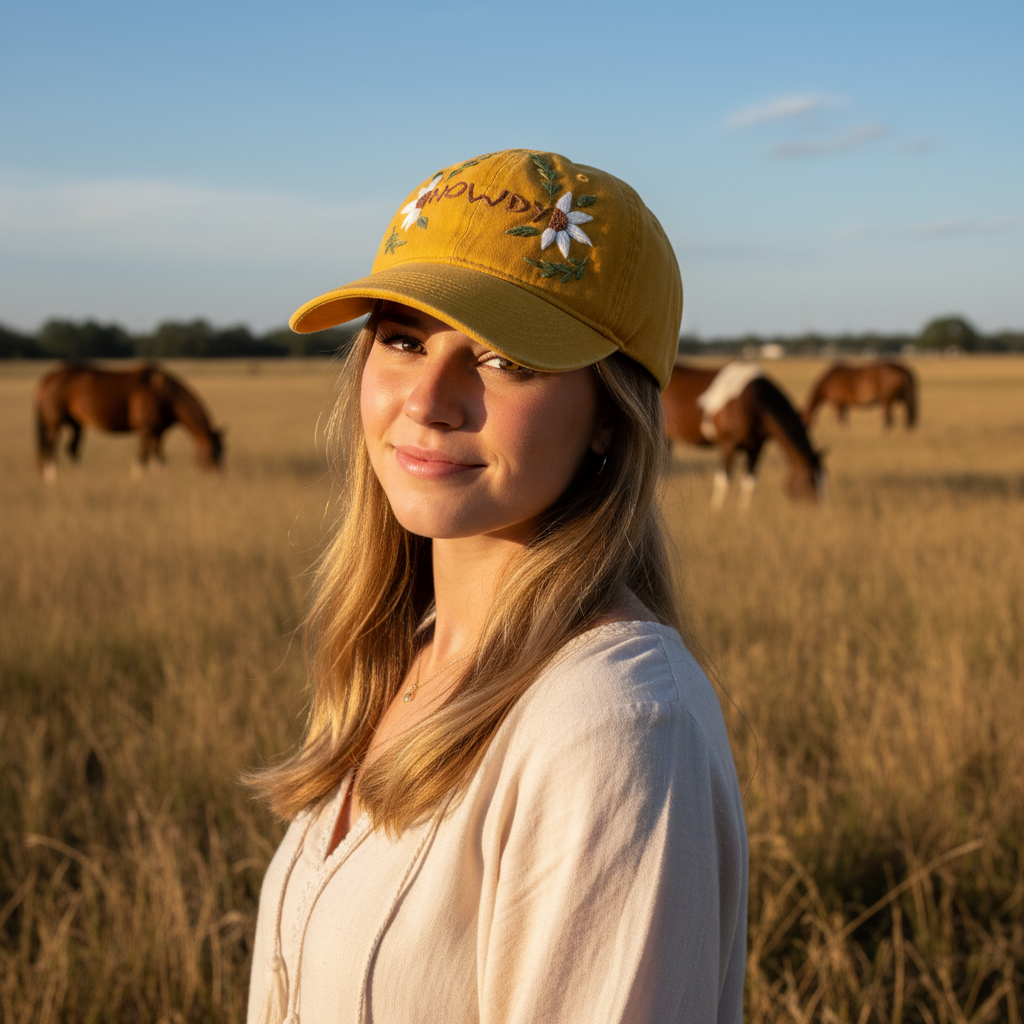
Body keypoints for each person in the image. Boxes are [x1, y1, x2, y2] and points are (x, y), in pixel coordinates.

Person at [246, 149, 748, 1024]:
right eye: (403, 340)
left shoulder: (612, 726)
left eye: (505, 358)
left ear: (611, 417)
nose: (429, 398)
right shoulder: (410, 656)